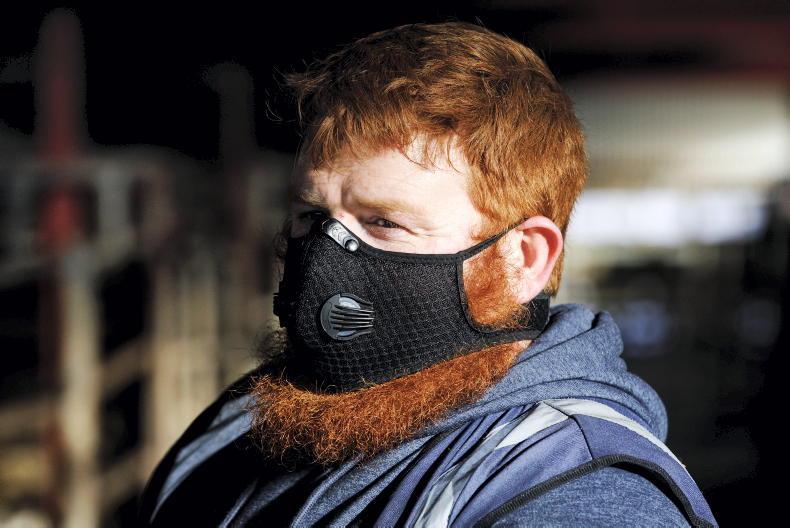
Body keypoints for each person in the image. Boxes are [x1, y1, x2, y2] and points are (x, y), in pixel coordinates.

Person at [137, 21, 719, 527]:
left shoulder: (579, 495)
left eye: (385, 222)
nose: (323, 258)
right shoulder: (237, 428)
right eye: (312, 216)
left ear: (525, 259)